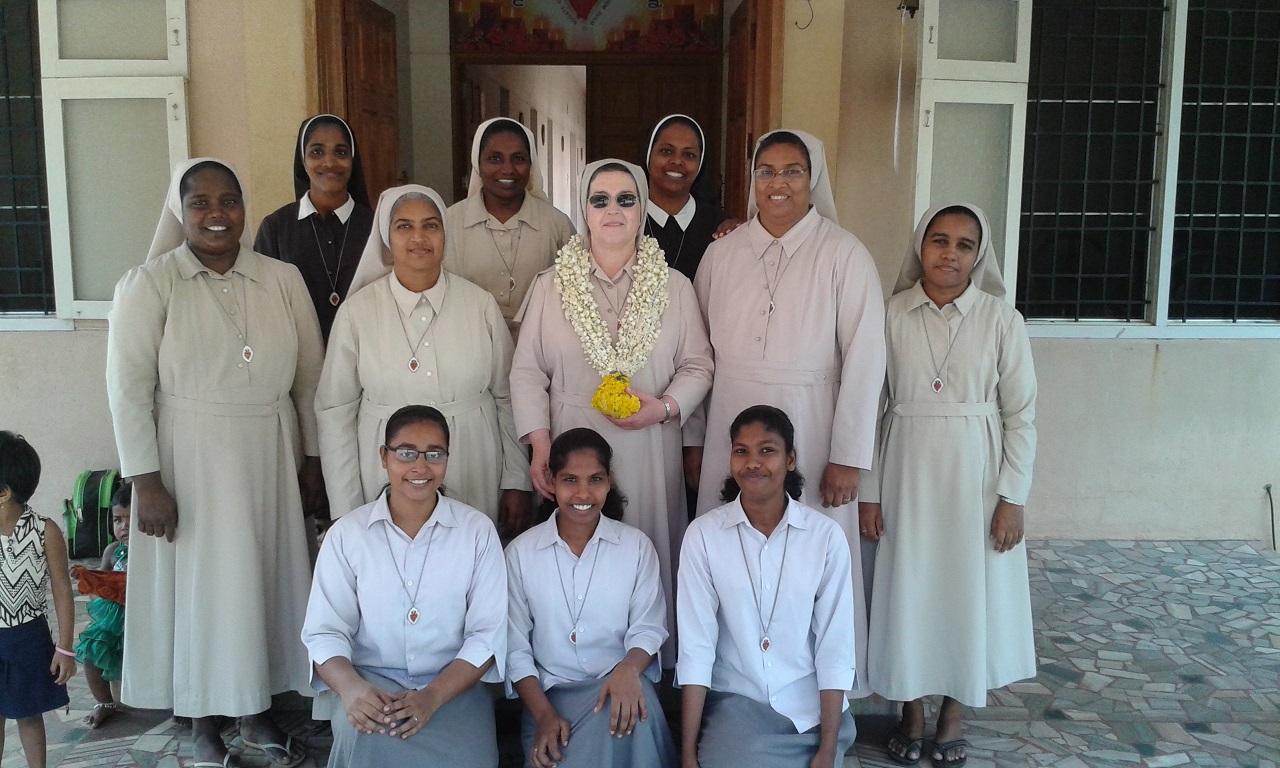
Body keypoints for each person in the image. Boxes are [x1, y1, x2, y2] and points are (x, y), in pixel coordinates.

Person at [107, 158, 323, 768]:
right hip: (188, 459)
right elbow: (127, 389)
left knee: (262, 583)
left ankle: (255, 711)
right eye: (199, 203)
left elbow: (310, 379)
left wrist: (311, 459)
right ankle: (203, 720)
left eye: (229, 200)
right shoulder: (150, 284)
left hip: (269, 454)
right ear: (180, 212)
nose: (216, 214)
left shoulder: (281, 279)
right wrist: (146, 482)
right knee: (203, 590)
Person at [687, 129, 886, 695]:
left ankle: (821, 691)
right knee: (729, 551)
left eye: (793, 171)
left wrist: (848, 456)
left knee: (813, 558)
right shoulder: (722, 253)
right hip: (730, 421)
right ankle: (728, 684)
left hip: (815, 429)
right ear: (752, 179)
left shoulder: (845, 254)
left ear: (812, 178)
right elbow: (697, 354)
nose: (778, 183)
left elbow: (866, 359)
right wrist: (695, 439)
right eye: (766, 171)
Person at [511, 159, 713, 660]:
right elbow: (527, 372)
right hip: (570, 437)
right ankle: (572, 661)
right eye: (599, 200)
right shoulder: (551, 285)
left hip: (649, 445)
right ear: (583, 210)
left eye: (626, 199)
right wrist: (539, 444)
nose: (613, 210)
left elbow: (698, 366)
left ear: (642, 210)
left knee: (645, 542)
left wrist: (664, 408)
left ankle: (648, 662)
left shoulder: (675, 286)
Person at [860, 203, 1037, 768]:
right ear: (921, 247)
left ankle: (952, 717)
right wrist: (869, 491)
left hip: (976, 479)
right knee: (907, 590)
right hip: (905, 471)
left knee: (967, 593)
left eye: (964, 245)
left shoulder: (1002, 319)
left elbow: (1021, 416)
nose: (950, 254)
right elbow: (870, 407)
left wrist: (1012, 497)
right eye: (939, 240)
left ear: (978, 255)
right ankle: (910, 712)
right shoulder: (889, 314)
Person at [317, 184, 530, 531]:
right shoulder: (358, 313)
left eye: (430, 225)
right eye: (404, 226)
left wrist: (516, 479)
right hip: (386, 469)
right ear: (387, 237)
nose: (419, 237)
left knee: (467, 553)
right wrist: (345, 503)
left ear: (445, 234)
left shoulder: (479, 305)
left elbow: (507, 398)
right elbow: (335, 411)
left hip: (472, 462)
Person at [303, 405, 507, 768]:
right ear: (384, 457)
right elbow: (324, 632)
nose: (421, 466)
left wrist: (432, 697)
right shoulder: (348, 535)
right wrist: (352, 690)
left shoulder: (476, 532)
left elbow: (488, 635)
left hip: (453, 687)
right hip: (372, 688)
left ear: (447, 458)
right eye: (407, 453)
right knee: (370, 738)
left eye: (435, 454)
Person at [677, 406, 856, 768]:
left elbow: (835, 647)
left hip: (810, 711)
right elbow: (696, 647)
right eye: (741, 451)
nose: (752, 463)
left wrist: (826, 750)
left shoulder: (825, 537)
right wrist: (687, 754)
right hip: (737, 704)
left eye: (767, 451)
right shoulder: (704, 536)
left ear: (790, 460)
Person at [506, 427, 677, 768]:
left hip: (622, 685)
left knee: (630, 721)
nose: (583, 493)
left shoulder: (635, 546)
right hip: (550, 700)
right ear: (551, 481)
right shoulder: (521, 554)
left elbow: (648, 627)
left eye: (595, 479)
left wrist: (628, 670)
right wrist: (543, 716)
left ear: (609, 482)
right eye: (570, 480)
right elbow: (514, 647)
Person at [445, 117, 575, 341]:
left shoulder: (557, 224)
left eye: (519, 159)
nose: (507, 169)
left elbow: (577, 295)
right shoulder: (449, 222)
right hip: (468, 347)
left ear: (531, 165)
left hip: (541, 348)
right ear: (478, 164)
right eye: (494, 158)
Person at [254, 113, 375, 344]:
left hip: (366, 352)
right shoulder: (276, 227)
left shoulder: (376, 225)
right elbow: (262, 303)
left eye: (341, 152)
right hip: (297, 353)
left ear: (353, 160)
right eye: (317, 152)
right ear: (303, 160)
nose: (329, 163)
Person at [0, 432, 76, 768]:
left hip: (27, 638)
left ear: (3, 493)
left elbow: (62, 588)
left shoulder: (45, 531)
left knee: (29, 715)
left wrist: (65, 648)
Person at [640, 114, 734, 281]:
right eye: (666, 151)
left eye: (689, 155)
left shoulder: (720, 227)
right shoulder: (624, 219)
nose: (677, 161)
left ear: (700, 164)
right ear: (648, 156)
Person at [73, 481, 132, 729]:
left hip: (147, 615)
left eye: (130, 518)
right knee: (92, 650)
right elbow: (102, 577)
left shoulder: (155, 550)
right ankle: (104, 702)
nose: (124, 526)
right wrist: (88, 577)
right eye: (118, 520)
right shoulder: (113, 550)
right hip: (114, 617)